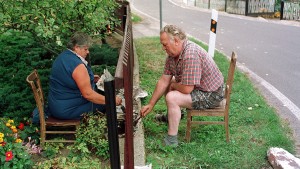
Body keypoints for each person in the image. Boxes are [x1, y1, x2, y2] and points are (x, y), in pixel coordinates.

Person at [140, 25, 224, 146]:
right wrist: (151, 104)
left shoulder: (190, 55)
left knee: (171, 97)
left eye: (165, 44)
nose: (163, 48)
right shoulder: (173, 55)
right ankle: (172, 116)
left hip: (212, 94)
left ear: (176, 41)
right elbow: (164, 80)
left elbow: (186, 89)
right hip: (200, 87)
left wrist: (174, 85)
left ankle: (171, 140)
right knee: (170, 82)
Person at [47, 32, 122, 120]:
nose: (88, 52)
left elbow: (67, 78)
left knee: (101, 98)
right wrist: (111, 100)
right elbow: (88, 95)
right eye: (85, 49)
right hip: (67, 110)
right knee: (105, 105)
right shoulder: (78, 66)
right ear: (76, 47)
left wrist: (89, 78)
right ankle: (98, 130)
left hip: (56, 104)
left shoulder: (63, 56)